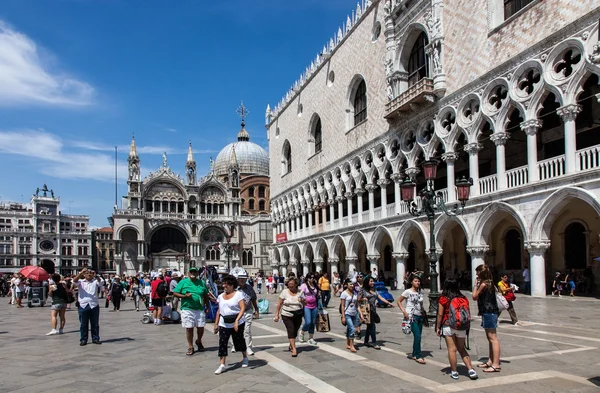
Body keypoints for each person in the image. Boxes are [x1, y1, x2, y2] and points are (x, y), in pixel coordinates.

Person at [435, 278, 478, 380]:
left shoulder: (443, 298)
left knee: (452, 349)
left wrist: (437, 327)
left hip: (447, 325)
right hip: (461, 326)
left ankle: (454, 372)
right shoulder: (463, 297)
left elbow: (440, 314)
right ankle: (471, 370)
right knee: (461, 349)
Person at [213, 274, 249, 375]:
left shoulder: (238, 294)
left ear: (232, 285)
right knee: (222, 343)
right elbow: (219, 310)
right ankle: (222, 365)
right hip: (224, 322)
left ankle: (245, 358)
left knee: (239, 341)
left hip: (237, 321)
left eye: (226, 284)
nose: (224, 286)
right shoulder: (220, 296)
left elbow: (242, 308)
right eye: (223, 284)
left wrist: (237, 320)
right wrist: (216, 324)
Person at [173, 267, 209, 356]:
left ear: (197, 273)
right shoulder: (183, 282)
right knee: (189, 328)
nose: (193, 273)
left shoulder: (202, 283)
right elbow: (175, 293)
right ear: (188, 273)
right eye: (191, 271)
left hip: (199, 308)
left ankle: (199, 341)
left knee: (200, 327)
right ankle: (190, 346)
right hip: (187, 308)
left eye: (195, 272)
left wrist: (208, 306)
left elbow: (205, 295)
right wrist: (184, 296)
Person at [473, 265, 501, 373]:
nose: (476, 275)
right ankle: (490, 361)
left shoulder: (484, 284)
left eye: (477, 272)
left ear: (481, 273)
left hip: (489, 312)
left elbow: (474, 296)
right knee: (490, 338)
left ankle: (496, 364)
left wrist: (476, 285)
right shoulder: (490, 283)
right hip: (490, 312)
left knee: (493, 338)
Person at [397, 274, 426, 364]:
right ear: (411, 282)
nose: (417, 283)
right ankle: (418, 356)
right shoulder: (407, 291)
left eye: (418, 281)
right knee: (418, 336)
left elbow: (421, 304)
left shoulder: (420, 292)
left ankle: (414, 353)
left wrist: (423, 312)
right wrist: (404, 311)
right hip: (411, 316)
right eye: (415, 281)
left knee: (418, 337)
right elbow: (399, 301)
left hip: (420, 315)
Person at [274, 277, 305, 357]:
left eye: (292, 284)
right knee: (291, 330)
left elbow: (305, 304)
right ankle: (294, 349)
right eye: (289, 284)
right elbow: (279, 304)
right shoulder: (284, 292)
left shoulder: (300, 292)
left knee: (295, 331)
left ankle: (291, 344)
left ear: (296, 284)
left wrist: (302, 301)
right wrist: (277, 314)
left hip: (298, 314)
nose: (290, 285)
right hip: (286, 314)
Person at [361, 275, 394, 349]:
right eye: (371, 281)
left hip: (373, 310)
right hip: (367, 311)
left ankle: (366, 341)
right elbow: (358, 300)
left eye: (373, 281)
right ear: (367, 282)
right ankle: (374, 342)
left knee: (370, 327)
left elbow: (380, 297)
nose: (373, 282)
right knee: (372, 327)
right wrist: (363, 299)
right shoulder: (363, 290)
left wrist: (388, 303)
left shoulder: (374, 290)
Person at [73, 268, 104, 346]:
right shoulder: (81, 282)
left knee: (95, 324)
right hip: (83, 305)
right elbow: (74, 280)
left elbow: (101, 282)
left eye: (90, 273)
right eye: (87, 273)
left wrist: (96, 275)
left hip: (93, 305)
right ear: (84, 274)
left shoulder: (95, 281)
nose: (89, 274)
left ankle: (95, 338)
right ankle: (83, 339)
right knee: (83, 324)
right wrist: (80, 273)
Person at [232, 270, 259, 356]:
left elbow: (253, 299)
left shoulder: (249, 287)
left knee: (247, 330)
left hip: (247, 311)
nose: (243, 280)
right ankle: (235, 345)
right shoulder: (234, 288)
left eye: (244, 278)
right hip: (237, 311)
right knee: (236, 330)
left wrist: (256, 310)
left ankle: (249, 347)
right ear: (238, 279)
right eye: (241, 279)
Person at [340, 278, 362, 352]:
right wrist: (343, 316)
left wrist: (361, 314)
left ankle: (348, 344)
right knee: (352, 329)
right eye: (350, 284)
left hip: (354, 313)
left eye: (353, 284)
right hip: (347, 313)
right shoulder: (344, 293)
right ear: (346, 285)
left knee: (349, 329)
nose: (352, 286)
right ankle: (352, 345)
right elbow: (342, 306)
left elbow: (357, 305)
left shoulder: (355, 293)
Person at [299, 273, 319, 346]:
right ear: (307, 278)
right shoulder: (304, 285)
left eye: (313, 277)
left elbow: (317, 295)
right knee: (308, 322)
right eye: (310, 277)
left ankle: (311, 338)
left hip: (314, 306)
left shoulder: (315, 285)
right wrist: (302, 301)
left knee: (313, 322)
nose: (312, 279)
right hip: (307, 306)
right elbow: (300, 295)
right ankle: (302, 331)